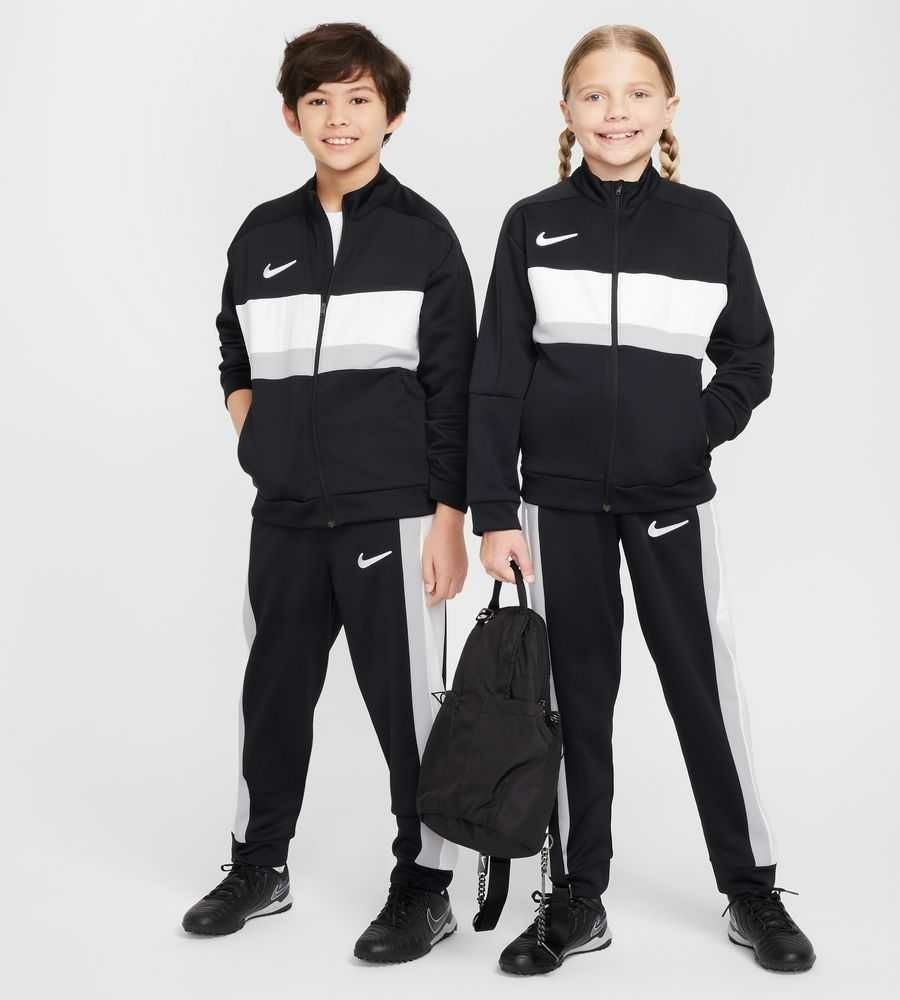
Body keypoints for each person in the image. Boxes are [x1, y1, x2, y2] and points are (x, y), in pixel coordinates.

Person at [466, 24, 816, 976]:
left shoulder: (705, 223)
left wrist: (692, 430)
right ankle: (578, 895)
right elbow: (496, 378)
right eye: (594, 94)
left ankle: (750, 887)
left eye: (634, 94)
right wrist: (494, 509)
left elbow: (750, 355)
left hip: (671, 501)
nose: (614, 112)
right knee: (574, 702)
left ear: (667, 108)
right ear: (566, 111)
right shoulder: (530, 224)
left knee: (702, 692)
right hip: (557, 507)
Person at [181, 22, 475, 965]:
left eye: (357, 99)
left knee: (410, 715)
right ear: (291, 116)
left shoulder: (425, 238)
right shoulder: (261, 234)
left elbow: (453, 391)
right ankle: (258, 866)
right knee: (271, 698)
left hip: (395, 515)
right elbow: (233, 353)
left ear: (391, 115)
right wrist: (256, 436)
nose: (337, 117)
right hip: (285, 518)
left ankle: (424, 887)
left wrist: (449, 521)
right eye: (318, 100)